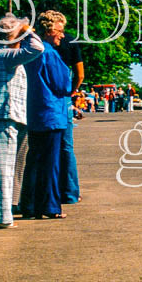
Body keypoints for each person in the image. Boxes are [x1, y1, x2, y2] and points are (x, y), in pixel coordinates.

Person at [0, 17, 44, 227]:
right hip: (3, 117)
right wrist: (27, 29)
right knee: (3, 168)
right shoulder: (8, 55)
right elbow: (37, 47)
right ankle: (0, 217)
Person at [22, 11, 73, 219]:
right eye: (60, 31)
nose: (62, 35)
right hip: (52, 112)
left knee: (33, 160)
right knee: (51, 163)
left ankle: (29, 204)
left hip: (34, 112)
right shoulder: (50, 54)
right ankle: (50, 206)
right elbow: (63, 84)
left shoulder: (28, 51)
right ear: (50, 30)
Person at [54, 26, 84, 204]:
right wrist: (71, 91)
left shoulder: (37, 40)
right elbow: (80, 74)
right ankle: (71, 192)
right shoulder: (71, 40)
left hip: (42, 95)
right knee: (66, 146)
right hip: (64, 96)